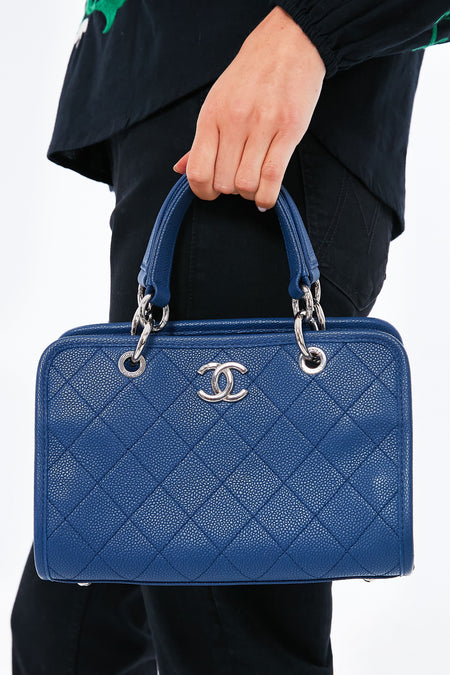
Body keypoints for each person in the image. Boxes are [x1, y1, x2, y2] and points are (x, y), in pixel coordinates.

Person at [11, 2, 450, 674]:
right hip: (181, 98)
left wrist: (308, 30)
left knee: (229, 639)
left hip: (258, 96)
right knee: (70, 629)